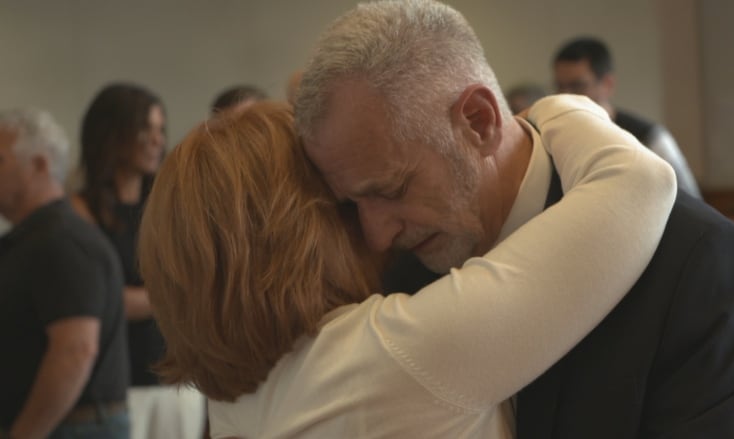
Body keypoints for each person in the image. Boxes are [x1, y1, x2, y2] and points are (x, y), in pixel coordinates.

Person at [294, 0, 734, 437]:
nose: (377, 235)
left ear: (480, 122)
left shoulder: (693, 261)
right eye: (354, 205)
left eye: (393, 189)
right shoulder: (389, 278)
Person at [138, 98, 676, 438]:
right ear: (308, 223)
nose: (371, 226)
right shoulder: (392, 353)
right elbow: (636, 186)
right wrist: (557, 109)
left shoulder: (232, 392)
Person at [70, 83, 205, 439]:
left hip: (175, 381)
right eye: (146, 129)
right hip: (116, 387)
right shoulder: (80, 211)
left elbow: (196, 286)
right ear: (113, 133)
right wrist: (167, 297)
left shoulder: (167, 206)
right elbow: (100, 303)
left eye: (161, 130)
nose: (157, 140)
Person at [0, 108, 129, 438]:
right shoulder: (33, 239)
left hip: (71, 428)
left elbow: (75, 351)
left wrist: (24, 434)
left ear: (39, 165)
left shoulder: (61, 242)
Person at [552, 36, 703, 199]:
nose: (565, 96)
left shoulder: (649, 137)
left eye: (577, 85)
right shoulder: (556, 140)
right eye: (560, 86)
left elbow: (691, 202)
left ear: (607, 84)